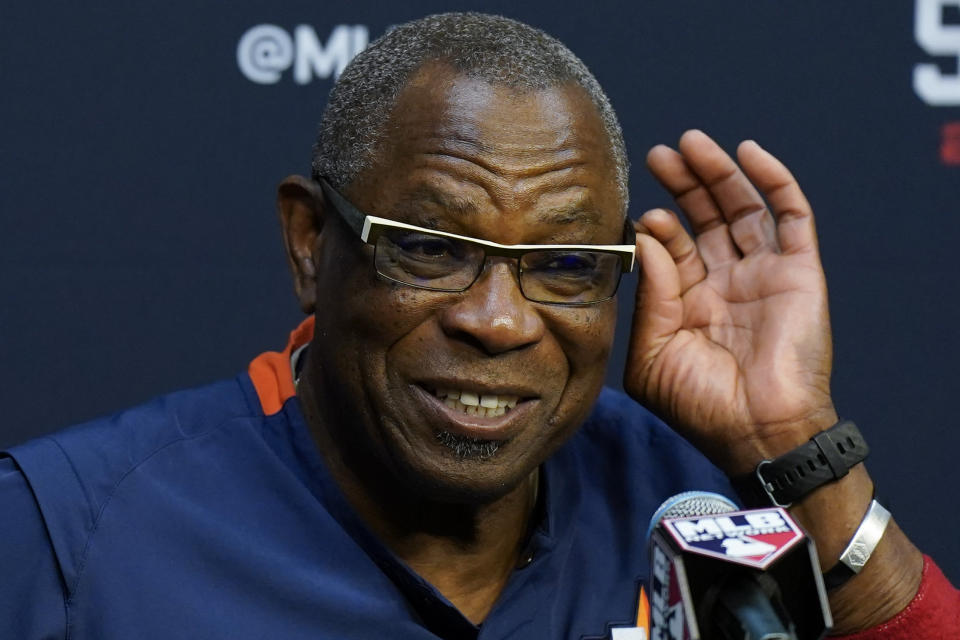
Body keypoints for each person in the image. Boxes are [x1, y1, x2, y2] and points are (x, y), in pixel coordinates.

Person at [1, 12, 956, 639]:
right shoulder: (65, 537)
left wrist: (788, 445)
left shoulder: (705, 508)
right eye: (429, 248)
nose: (497, 322)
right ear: (309, 243)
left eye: (565, 266)